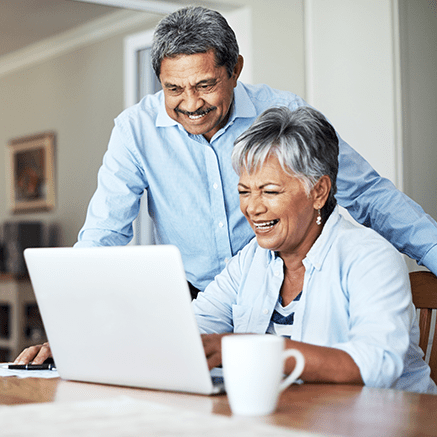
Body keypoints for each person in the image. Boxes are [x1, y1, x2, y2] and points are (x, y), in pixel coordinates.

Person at [14, 5, 437, 365]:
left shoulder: (283, 115)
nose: (191, 104)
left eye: (205, 85)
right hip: (211, 294)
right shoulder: (135, 130)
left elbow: (367, 195)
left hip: (291, 281)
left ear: (234, 70)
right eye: (173, 88)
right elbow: (103, 234)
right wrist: (75, 336)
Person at [194, 106, 437, 393]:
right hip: (295, 420)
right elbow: (194, 328)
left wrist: (256, 350)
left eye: (270, 191)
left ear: (319, 192)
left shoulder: (370, 257)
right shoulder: (251, 259)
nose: (252, 208)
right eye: (244, 191)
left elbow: (378, 365)